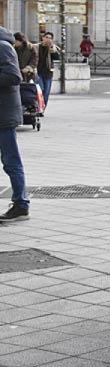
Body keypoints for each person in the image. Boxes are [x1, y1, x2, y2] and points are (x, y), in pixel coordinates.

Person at [0, 27, 28, 222]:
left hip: (3, 115)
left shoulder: (2, 46)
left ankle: (21, 204)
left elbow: (14, 76)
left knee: (11, 162)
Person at [36, 32, 60, 107]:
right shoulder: (37, 47)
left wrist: (51, 47)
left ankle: (43, 108)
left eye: (50, 38)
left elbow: (57, 58)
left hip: (48, 73)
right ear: (43, 38)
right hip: (38, 72)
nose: (48, 39)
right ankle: (38, 107)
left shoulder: (53, 48)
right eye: (46, 37)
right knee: (41, 89)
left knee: (46, 92)